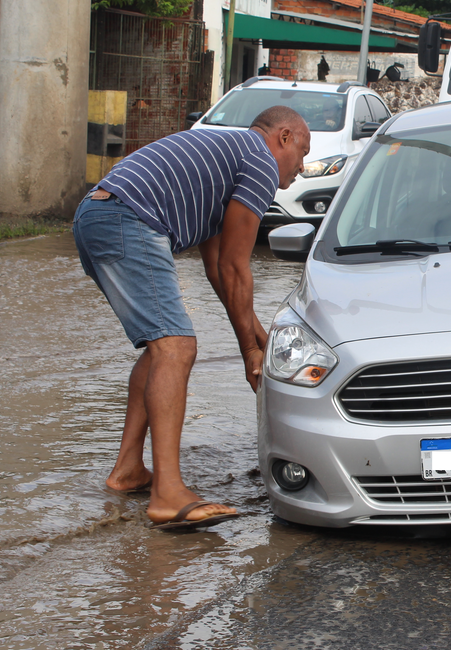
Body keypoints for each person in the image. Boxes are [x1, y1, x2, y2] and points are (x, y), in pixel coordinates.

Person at [73, 106, 310, 532]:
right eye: (303, 152)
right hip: (129, 218)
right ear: (284, 137)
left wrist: (260, 342)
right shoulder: (258, 160)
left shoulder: (230, 157)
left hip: (97, 213)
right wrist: (249, 354)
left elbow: (220, 269)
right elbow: (238, 270)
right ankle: (168, 494)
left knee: (160, 349)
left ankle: (128, 469)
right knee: (177, 347)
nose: (302, 167)